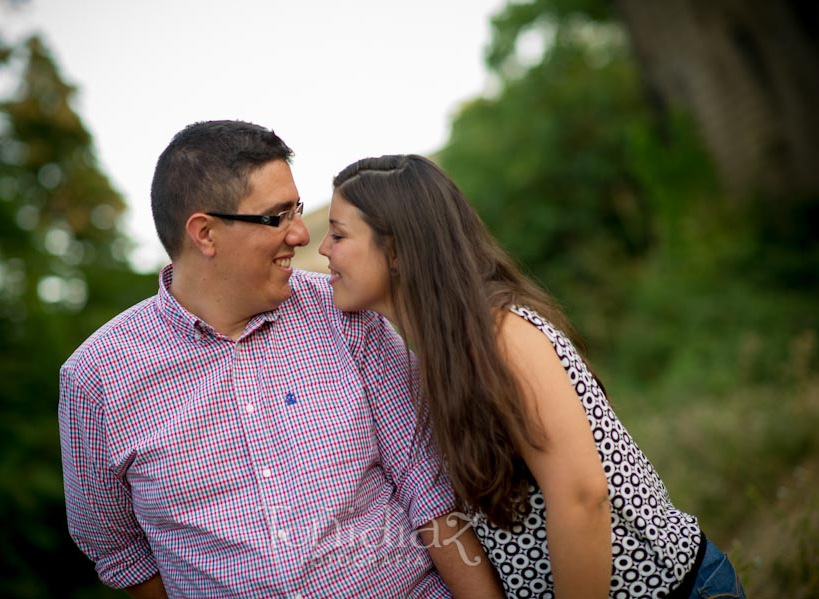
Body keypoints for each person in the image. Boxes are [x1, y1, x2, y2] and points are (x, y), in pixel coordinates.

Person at [58, 123, 504, 599]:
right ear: (204, 233)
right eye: (276, 216)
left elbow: (428, 487)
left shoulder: (344, 315)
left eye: (295, 209)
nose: (298, 233)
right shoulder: (96, 379)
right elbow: (118, 552)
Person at [317, 154, 747, 599]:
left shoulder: (502, 336)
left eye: (339, 233)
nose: (325, 249)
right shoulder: (437, 356)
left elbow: (581, 497)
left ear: (397, 250)